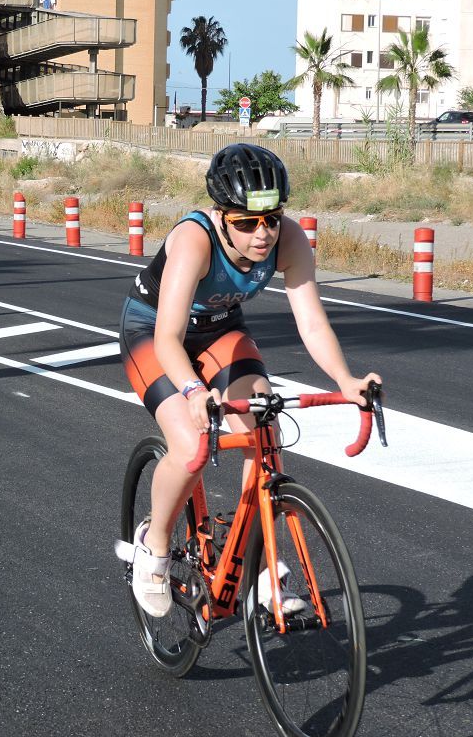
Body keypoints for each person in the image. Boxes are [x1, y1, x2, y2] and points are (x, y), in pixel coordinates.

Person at [115, 144, 381, 618]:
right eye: (245, 223)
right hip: (154, 331)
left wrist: (346, 380)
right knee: (193, 442)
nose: (263, 234)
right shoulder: (195, 241)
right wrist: (195, 392)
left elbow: (312, 322)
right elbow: (169, 337)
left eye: (272, 219)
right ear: (221, 216)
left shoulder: (289, 240)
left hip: (220, 328)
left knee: (264, 431)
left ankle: (256, 561)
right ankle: (152, 549)